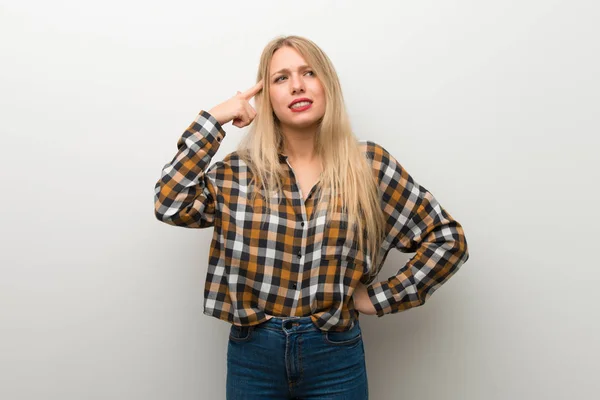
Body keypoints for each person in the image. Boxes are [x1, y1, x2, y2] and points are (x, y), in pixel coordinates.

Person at [154, 35, 469, 400]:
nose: (297, 85)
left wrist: (379, 298)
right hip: (252, 353)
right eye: (281, 78)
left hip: (335, 355)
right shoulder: (239, 172)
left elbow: (447, 240)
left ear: (327, 85)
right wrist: (215, 119)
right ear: (266, 96)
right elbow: (170, 203)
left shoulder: (369, 167)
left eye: (309, 72)